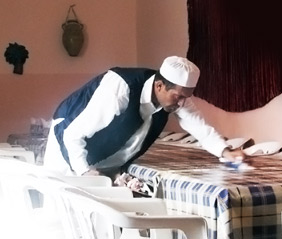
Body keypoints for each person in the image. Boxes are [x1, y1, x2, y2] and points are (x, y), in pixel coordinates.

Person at [44, 56, 245, 180]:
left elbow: (199, 125)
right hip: (67, 143)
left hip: (105, 158)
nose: (183, 103)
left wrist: (225, 151)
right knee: (64, 213)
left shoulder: (178, 96)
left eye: (187, 97)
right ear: (159, 86)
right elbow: (73, 135)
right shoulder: (120, 88)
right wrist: (84, 172)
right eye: (179, 97)